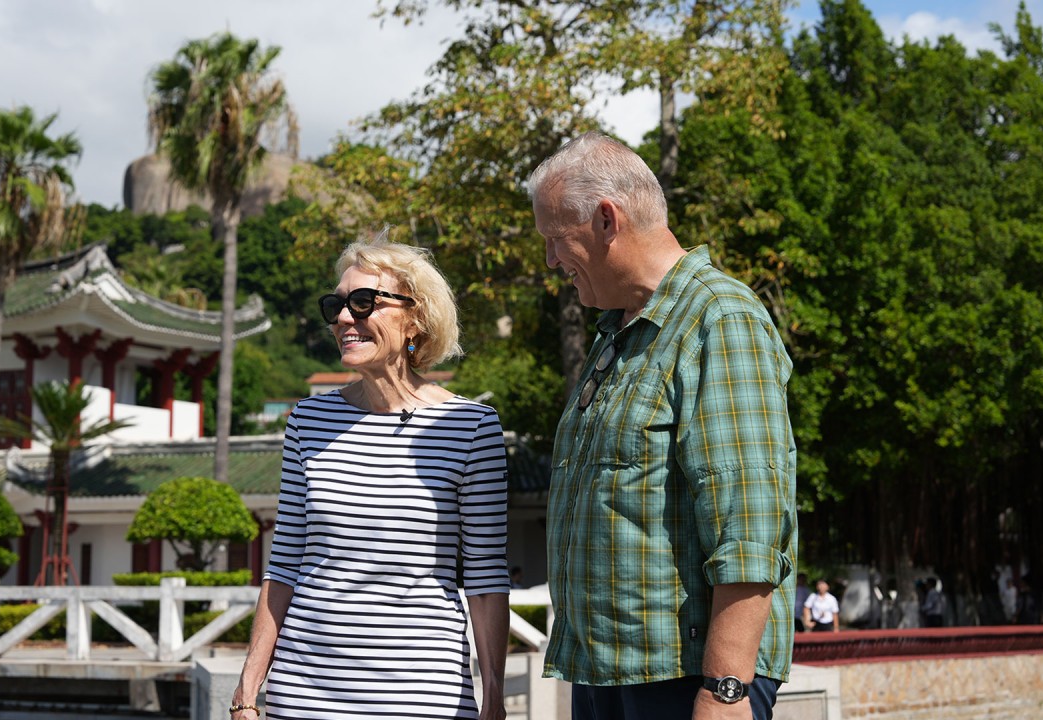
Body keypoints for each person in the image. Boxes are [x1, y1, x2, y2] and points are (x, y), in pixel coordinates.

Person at [529, 132, 797, 720]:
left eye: (555, 239)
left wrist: (725, 692)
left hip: (685, 680)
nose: (551, 261)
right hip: (607, 675)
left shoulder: (720, 317)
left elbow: (749, 523)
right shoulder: (616, 334)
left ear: (606, 219)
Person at [230, 233, 511, 720]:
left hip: (425, 700)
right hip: (302, 697)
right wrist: (247, 692)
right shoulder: (307, 421)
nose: (343, 318)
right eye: (337, 304)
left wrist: (494, 700)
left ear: (415, 320)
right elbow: (284, 566)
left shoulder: (471, 429)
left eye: (363, 303)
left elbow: (485, 579)